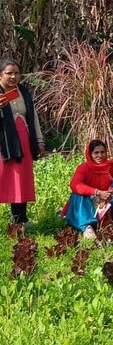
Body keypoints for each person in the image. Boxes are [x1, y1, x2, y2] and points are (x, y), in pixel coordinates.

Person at [0, 58, 44, 228]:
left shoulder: (24, 92)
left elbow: (33, 118)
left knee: (21, 179)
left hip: (23, 142)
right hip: (3, 145)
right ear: (0, 75)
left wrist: (39, 141)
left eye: (16, 73)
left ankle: (20, 219)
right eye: (9, 73)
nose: (13, 76)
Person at [65, 140, 113, 239]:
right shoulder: (83, 168)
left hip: (108, 203)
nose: (100, 156)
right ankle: (87, 227)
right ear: (90, 154)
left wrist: (112, 191)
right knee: (78, 192)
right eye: (96, 153)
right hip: (89, 205)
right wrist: (97, 192)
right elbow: (74, 184)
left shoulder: (111, 167)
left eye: (102, 152)